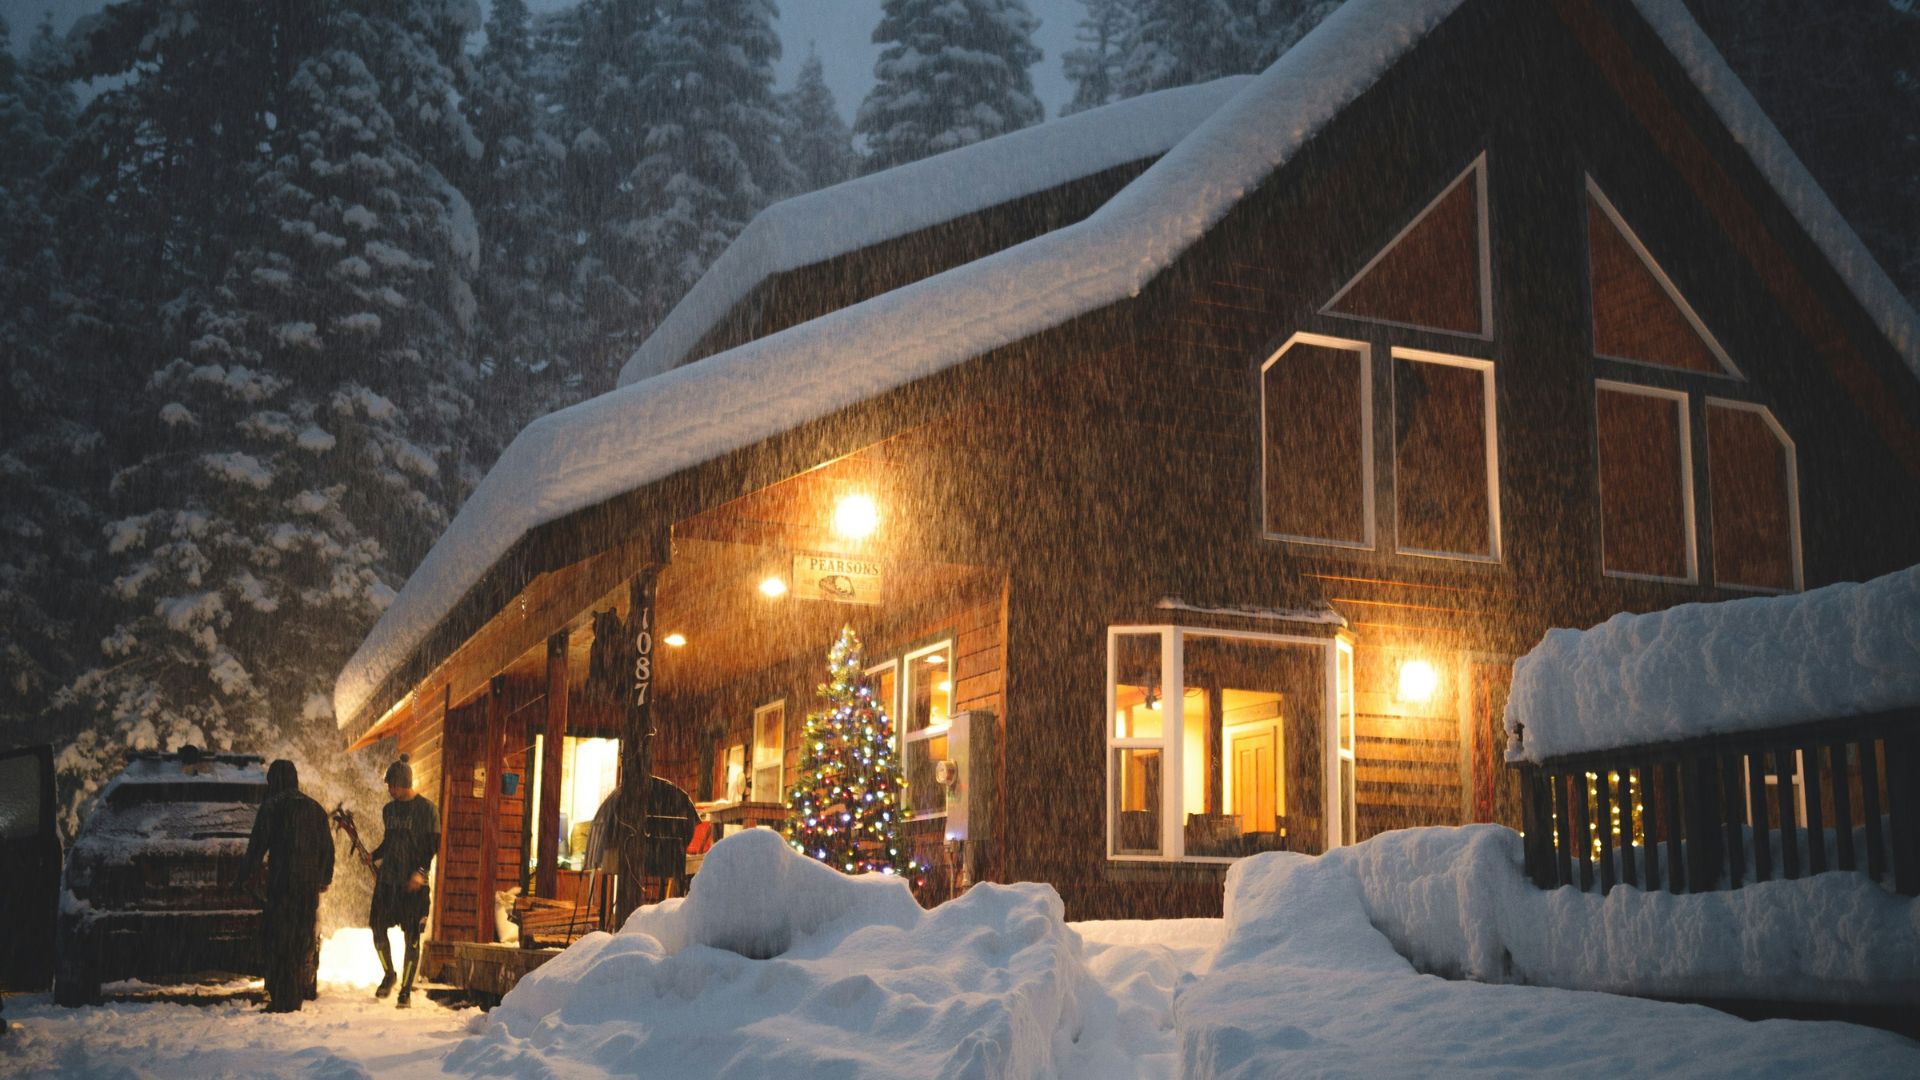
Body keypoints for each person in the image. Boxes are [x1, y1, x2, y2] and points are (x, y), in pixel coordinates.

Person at [238, 759, 335, 1013]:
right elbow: (327, 849)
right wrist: (323, 879)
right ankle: (290, 999)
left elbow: (257, 847)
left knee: (279, 942)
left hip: (281, 886)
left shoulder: (272, 807)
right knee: (299, 942)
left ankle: (284, 1001)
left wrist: (243, 876)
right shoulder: (315, 808)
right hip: (307, 888)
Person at [368, 755, 438, 1008]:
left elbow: (432, 846)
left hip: (415, 886)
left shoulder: (427, 809)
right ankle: (389, 974)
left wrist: (420, 872)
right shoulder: (389, 810)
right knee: (376, 927)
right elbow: (390, 842)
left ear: (403, 782)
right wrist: (374, 855)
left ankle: (405, 990)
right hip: (388, 882)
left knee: (412, 938)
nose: (389, 790)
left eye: (392, 785)